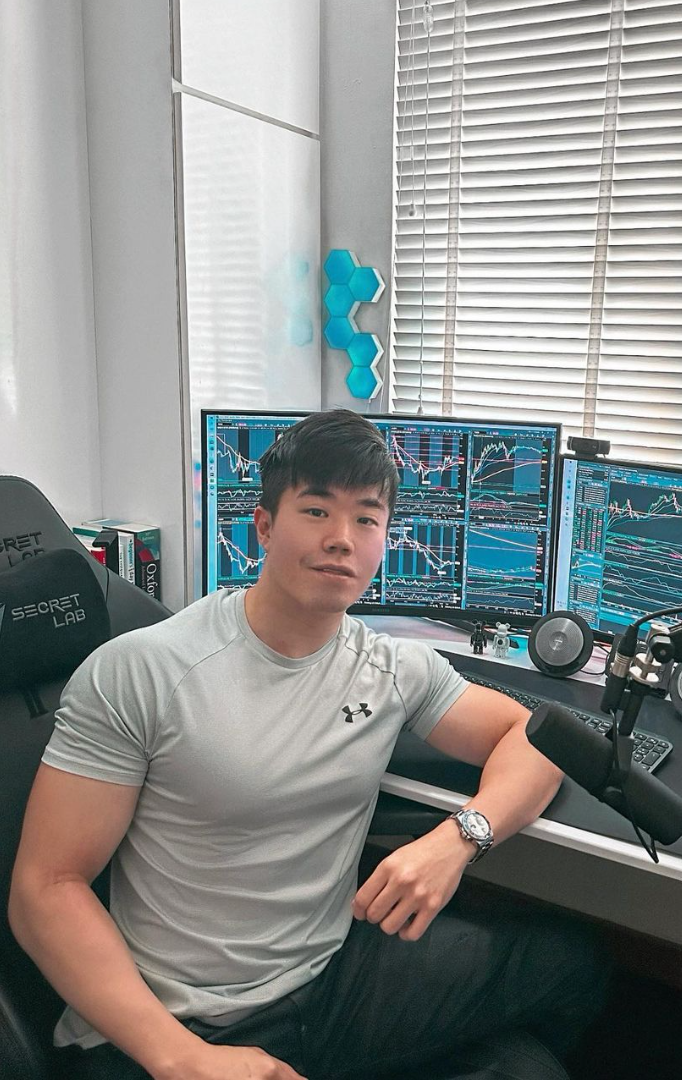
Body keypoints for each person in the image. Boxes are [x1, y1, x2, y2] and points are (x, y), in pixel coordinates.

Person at [9, 409, 609, 1080]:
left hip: (327, 984)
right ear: (264, 525)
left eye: (365, 519)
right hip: (172, 1019)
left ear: (385, 539)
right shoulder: (142, 670)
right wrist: (182, 1058)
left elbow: (534, 740)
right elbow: (45, 889)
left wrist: (459, 839)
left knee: (568, 968)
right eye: (316, 511)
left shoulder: (391, 668)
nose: (341, 540)